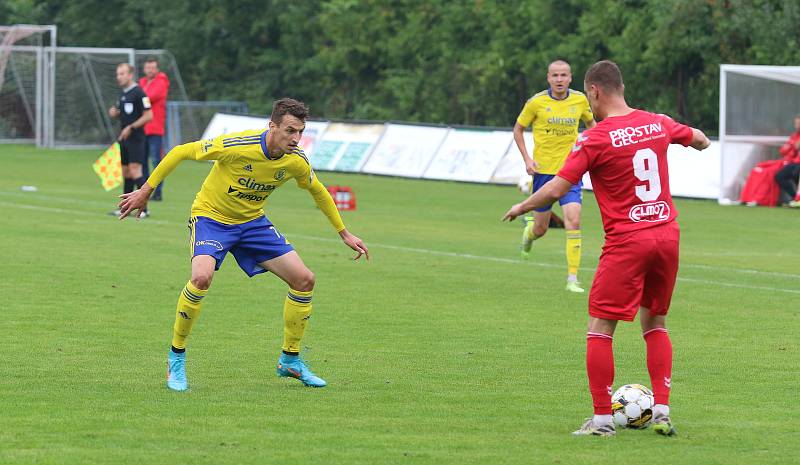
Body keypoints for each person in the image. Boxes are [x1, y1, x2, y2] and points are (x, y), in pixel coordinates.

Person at [502, 60, 710, 436]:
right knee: (655, 322)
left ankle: (601, 421)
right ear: (622, 87)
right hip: (667, 233)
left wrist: (523, 206)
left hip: (628, 240)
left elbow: (557, 187)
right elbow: (699, 139)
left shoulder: (595, 138)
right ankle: (661, 412)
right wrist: (689, 136)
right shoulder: (657, 121)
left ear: (594, 91)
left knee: (600, 328)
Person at [117, 98, 369, 391]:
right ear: (272, 126)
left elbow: (319, 191)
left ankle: (290, 360)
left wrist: (344, 233)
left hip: (252, 224)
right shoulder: (238, 144)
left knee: (304, 280)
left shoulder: (296, 160)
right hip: (211, 218)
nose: (296, 138)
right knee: (201, 277)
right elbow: (180, 151)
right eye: (290, 130)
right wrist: (146, 190)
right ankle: (176, 359)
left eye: (300, 132)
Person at [513, 59, 596, 293]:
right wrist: (528, 160)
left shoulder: (580, 100)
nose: (559, 80)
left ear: (570, 78)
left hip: (571, 172)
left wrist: (593, 151)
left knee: (574, 220)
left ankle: (572, 279)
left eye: (563, 75)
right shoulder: (536, 102)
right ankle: (528, 235)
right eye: (555, 76)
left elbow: (592, 126)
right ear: (548, 78)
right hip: (543, 174)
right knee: (541, 229)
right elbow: (518, 129)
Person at [109, 63, 152, 217]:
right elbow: (124, 114)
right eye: (118, 74)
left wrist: (131, 128)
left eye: (122, 74)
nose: (119, 77)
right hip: (124, 139)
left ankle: (144, 209)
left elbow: (148, 115)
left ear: (130, 75)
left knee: (135, 171)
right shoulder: (123, 94)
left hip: (136, 138)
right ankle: (126, 208)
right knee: (126, 172)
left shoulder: (139, 93)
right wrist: (115, 113)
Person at [138, 58, 170, 201]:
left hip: (155, 128)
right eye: (147, 68)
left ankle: (157, 192)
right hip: (142, 128)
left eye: (152, 68)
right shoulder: (143, 82)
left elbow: (149, 97)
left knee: (157, 162)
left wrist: (137, 99)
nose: (150, 70)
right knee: (142, 161)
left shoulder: (161, 82)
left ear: (157, 69)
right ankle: (143, 192)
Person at [774, 114, 800, 206]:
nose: (796, 125)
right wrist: (794, 147)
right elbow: (783, 151)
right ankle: (795, 198)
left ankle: (798, 199)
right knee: (779, 176)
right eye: (796, 123)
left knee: (796, 173)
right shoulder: (795, 136)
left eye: (798, 123)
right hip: (794, 162)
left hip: (796, 164)